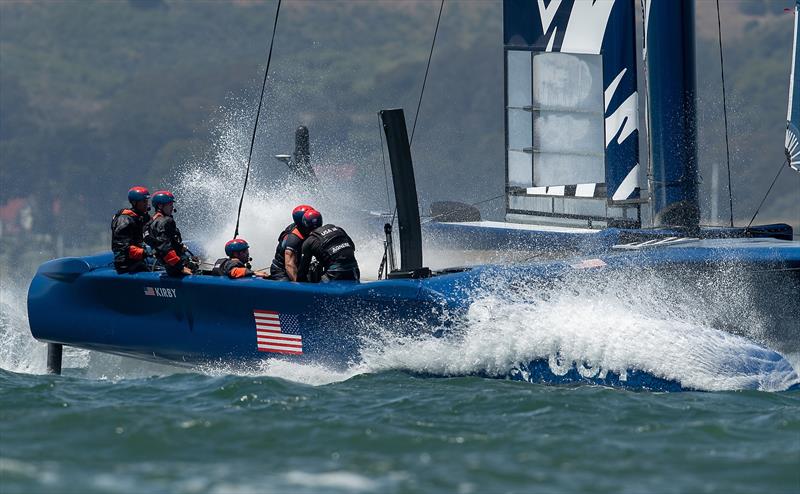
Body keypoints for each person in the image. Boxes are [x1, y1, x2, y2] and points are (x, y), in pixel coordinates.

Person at [297, 209, 360, 282]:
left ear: (305, 225)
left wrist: (297, 287)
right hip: (354, 271)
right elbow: (352, 247)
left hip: (334, 274)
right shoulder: (338, 229)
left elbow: (302, 271)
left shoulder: (309, 241)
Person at [144, 190, 192, 276]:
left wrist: (180, 247)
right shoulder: (165, 221)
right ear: (160, 206)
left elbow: (164, 241)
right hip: (176, 267)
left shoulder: (152, 221)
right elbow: (164, 246)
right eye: (169, 204)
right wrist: (180, 267)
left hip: (168, 265)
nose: (172, 207)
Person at [111, 186, 152, 274]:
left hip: (138, 260)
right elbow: (122, 247)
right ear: (134, 202)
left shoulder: (142, 217)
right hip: (126, 264)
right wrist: (146, 253)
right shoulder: (124, 220)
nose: (146, 203)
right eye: (143, 201)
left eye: (147, 201)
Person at [269, 204, 315, 281]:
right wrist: (298, 286)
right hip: (281, 271)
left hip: (298, 266)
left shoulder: (305, 227)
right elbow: (289, 265)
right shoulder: (293, 238)